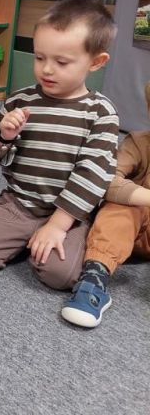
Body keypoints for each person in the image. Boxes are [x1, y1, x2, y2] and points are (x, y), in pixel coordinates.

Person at [0, 0, 119, 290]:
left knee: (60, 275)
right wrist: (4, 137)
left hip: (70, 213)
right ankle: (15, 227)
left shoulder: (100, 113)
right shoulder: (20, 100)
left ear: (96, 62)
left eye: (61, 62)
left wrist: (57, 225)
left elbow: (92, 177)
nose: (47, 70)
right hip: (21, 203)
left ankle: (49, 236)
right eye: (40, 57)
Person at [61, 81, 150, 327]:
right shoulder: (139, 143)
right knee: (122, 205)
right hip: (133, 229)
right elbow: (106, 180)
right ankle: (94, 279)